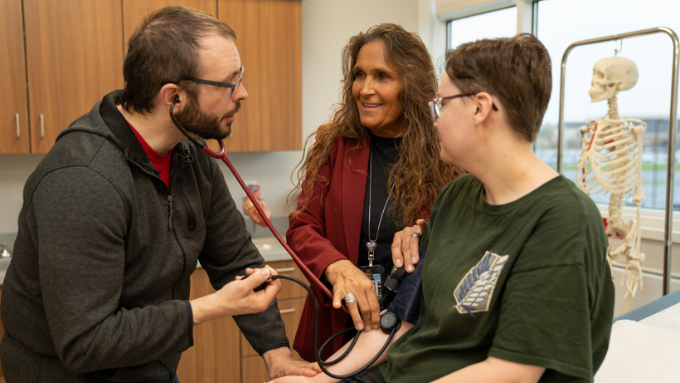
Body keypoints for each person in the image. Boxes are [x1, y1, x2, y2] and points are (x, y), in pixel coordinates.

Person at [0, 6, 319, 382]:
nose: (243, 94)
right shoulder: (83, 181)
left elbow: (235, 262)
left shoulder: (189, 155)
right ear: (174, 98)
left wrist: (276, 353)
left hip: (152, 369)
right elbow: (85, 342)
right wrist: (205, 308)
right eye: (229, 83)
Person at [274, 33, 615, 383]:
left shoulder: (563, 220)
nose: (433, 119)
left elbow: (513, 373)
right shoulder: (456, 197)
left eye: (442, 105)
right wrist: (319, 379)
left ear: (480, 108)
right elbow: (399, 325)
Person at [285, 23, 463, 362]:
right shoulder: (334, 143)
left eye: (382, 76)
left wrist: (422, 228)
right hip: (334, 324)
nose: (365, 89)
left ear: (411, 83)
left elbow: (457, 235)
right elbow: (301, 228)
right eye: (359, 75)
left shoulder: (444, 153)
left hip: (407, 333)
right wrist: (337, 267)